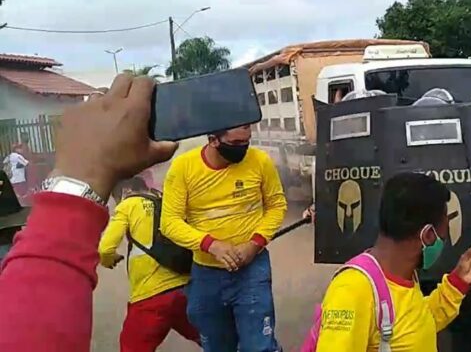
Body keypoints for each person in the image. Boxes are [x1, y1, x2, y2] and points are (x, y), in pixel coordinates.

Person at [0, 73, 179, 352]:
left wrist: (107, 255)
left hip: (149, 293)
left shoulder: (126, 207)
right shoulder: (155, 195)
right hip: (180, 285)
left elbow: (106, 246)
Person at [315, 172, 471, 351]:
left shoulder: (404, 276)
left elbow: (417, 325)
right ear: (428, 235)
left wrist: (458, 282)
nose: (442, 244)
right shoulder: (353, 289)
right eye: (442, 237)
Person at [161, 124, 287, 352]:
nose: (243, 149)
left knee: (258, 347)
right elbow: (169, 222)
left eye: (247, 141)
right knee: (217, 345)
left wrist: (255, 243)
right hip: (206, 274)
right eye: (236, 144)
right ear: (213, 140)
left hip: (252, 270)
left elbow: (276, 206)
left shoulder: (260, 161)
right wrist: (211, 245)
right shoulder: (183, 167)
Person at [98, 177, 200, 352]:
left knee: (132, 347)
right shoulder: (166, 203)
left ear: (126, 191)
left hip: (150, 297)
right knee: (214, 340)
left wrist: (109, 260)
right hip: (186, 291)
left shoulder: (128, 204)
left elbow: (105, 249)